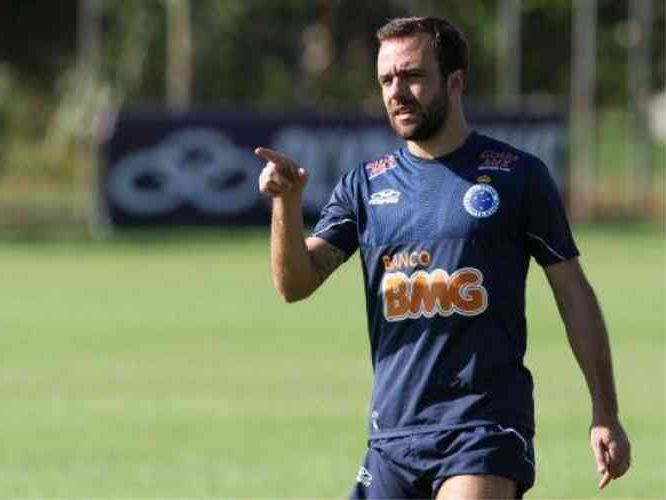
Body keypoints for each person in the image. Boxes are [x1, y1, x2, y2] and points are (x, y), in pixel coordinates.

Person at [255, 16, 631, 499]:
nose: (397, 91)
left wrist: (605, 411)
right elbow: (294, 284)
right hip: (392, 435)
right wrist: (285, 203)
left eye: (412, 75)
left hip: (484, 427)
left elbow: (572, 292)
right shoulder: (366, 186)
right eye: (387, 79)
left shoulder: (518, 176)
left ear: (455, 82)